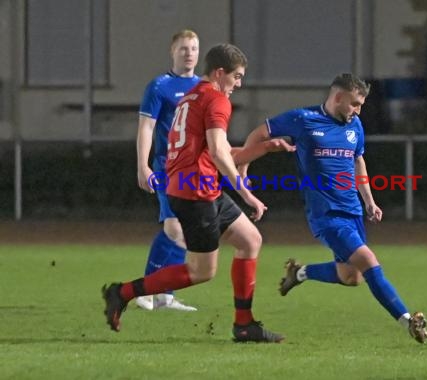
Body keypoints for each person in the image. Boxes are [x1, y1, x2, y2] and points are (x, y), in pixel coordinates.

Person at [102, 43, 291, 343]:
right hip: (196, 193)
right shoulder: (216, 99)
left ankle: (245, 325)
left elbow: (222, 153)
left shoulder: (191, 97)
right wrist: (246, 193)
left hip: (200, 188)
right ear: (219, 73)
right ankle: (122, 292)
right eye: (237, 76)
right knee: (201, 272)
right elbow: (218, 152)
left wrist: (264, 148)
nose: (239, 84)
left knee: (250, 240)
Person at [241, 73, 427, 344]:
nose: (358, 110)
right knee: (368, 261)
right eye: (354, 104)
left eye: (361, 105)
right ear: (338, 97)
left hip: (352, 212)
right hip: (326, 216)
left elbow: (358, 163)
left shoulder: (355, 126)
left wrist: (369, 200)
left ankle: (300, 273)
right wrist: (244, 166)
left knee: (351, 277)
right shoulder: (303, 119)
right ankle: (407, 320)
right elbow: (259, 133)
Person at [135, 29, 201, 312]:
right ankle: (145, 290)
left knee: (184, 230)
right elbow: (146, 128)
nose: (189, 53)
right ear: (172, 52)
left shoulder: (204, 87)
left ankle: (164, 295)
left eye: (194, 48)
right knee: (174, 228)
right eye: (184, 48)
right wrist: (142, 165)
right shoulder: (159, 86)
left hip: (194, 170)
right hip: (167, 167)